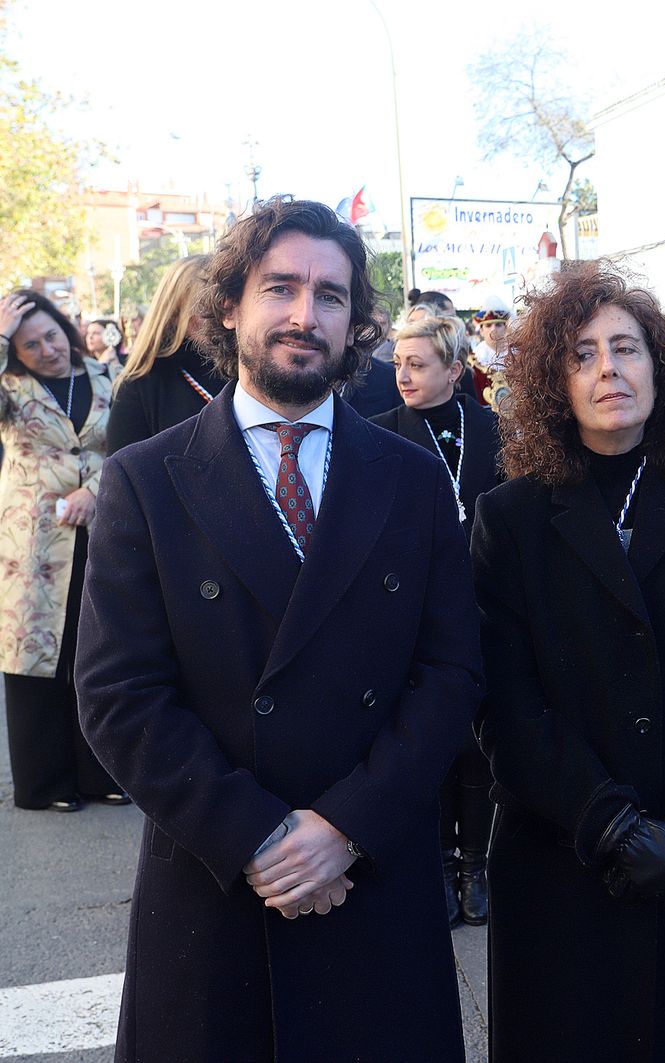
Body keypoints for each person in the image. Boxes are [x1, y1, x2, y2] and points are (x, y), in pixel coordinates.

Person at [75, 197, 484, 1061]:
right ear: (229, 306)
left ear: (354, 323)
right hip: (217, 885)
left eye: (330, 296)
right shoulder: (147, 480)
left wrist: (342, 829)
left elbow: (451, 673)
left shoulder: (411, 479)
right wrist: (259, 837)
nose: (305, 315)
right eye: (280, 288)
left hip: (370, 871)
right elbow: (119, 695)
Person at [473, 262, 665, 1062]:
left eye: (626, 347)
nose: (609, 368)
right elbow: (502, 701)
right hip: (564, 860)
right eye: (582, 354)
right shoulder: (508, 517)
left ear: (661, 364)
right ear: (553, 383)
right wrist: (608, 822)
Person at [370, 315, 504, 926]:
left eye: (418, 364)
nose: (403, 374)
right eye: (398, 362)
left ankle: (475, 863)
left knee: (480, 746)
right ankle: (438, 862)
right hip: (412, 615)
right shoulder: (378, 436)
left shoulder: (496, 431)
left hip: (486, 609)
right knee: (430, 742)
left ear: (455, 369)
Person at [0, 292, 123, 812]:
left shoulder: (104, 376)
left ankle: (102, 773)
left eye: (51, 336)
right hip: (31, 543)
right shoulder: (9, 388)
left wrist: (94, 488)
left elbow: (125, 443)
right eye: (29, 345)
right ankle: (46, 782)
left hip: (103, 528)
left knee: (95, 652)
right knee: (37, 659)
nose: (46, 350)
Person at [106, 254, 228, 455]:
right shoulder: (141, 383)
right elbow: (122, 475)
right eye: (208, 308)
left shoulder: (251, 368)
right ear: (175, 313)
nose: (222, 317)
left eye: (226, 304)